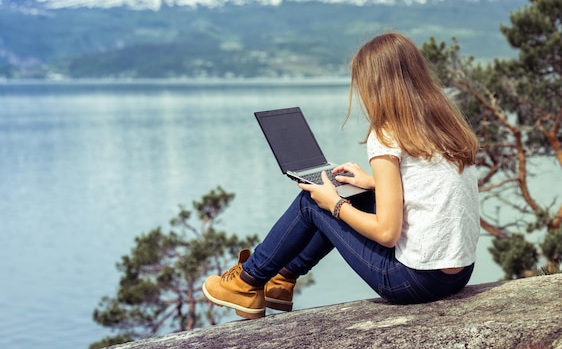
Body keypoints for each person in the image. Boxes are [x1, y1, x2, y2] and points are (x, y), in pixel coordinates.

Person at [202, 31, 480, 319]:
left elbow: (387, 234)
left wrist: (335, 204)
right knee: (354, 194)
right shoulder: (445, 125)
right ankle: (281, 281)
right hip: (458, 273)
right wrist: (371, 184)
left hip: (412, 282)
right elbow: (434, 188)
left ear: (374, 85)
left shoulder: (387, 134)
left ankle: (246, 283)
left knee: (312, 201)